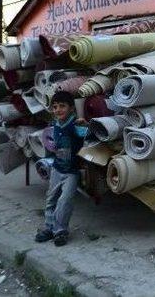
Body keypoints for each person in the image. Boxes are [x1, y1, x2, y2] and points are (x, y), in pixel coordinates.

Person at [35, 91, 87, 246]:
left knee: (65, 201)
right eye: (55, 107)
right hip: (57, 170)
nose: (58, 110)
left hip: (71, 172)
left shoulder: (75, 125)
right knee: (51, 199)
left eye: (62, 106)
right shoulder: (55, 125)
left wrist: (85, 125)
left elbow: (88, 133)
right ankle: (49, 228)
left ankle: (60, 231)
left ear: (71, 108)